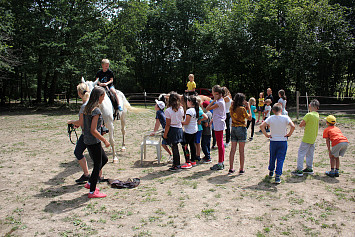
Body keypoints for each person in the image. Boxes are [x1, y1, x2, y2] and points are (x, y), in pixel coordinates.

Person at [67, 83, 105, 184]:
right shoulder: (89, 104)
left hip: (88, 135)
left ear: (79, 93)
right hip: (91, 134)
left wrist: (72, 122)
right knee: (98, 158)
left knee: (89, 156)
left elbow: (82, 122)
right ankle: (95, 176)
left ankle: (90, 176)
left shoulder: (85, 106)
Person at [82, 87, 110, 198]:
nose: (104, 99)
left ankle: (90, 183)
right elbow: (93, 130)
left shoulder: (87, 108)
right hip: (94, 141)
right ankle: (92, 191)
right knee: (97, 165)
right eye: (103, 96)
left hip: (88, 140)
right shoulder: (96, 110)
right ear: (99, 96)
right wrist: (104, 140)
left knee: (104, 159)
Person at [260, 103, 295, 184]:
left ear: (273, 110)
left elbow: (262, 126)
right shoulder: (285, 117)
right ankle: (278, 175)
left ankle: (271, 170)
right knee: (280, 158)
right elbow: (293, 126)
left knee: (272, 156)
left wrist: (266, 135)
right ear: (281, 110)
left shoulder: (271, 118)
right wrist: (289, 134)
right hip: (283, 141)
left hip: (273, 141)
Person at [292, 99, 320, 176]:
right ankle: (309, 168)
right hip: (313, 138)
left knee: (301, 153)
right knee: (310, 154)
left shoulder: (309, 115)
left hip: (307, 138)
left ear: (310, 106)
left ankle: (299, 170)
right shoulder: (317, 115)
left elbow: (301, 124)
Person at [228, 93, 252, 174]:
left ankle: (231, 168)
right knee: (241, 150)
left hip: (233, 128)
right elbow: (249, 118)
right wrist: (249, 108)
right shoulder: (242, 109)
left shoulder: (232, 107)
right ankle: (241, 169)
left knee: (232, 150)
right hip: (241, 128)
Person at [163, 92, 185, 171]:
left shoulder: (168, 111)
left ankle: (177, 165)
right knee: (178, 147)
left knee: (174, 148)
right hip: (179, 128)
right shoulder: (181, 109)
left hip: (173, 129)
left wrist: (165, 135)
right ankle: (178, 163)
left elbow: (168, 124)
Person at [206, 85, 226, 170]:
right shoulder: (220, 101)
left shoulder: (219, 102)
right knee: (220, 144)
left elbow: (207, 108)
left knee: (220, 144)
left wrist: (213, 101)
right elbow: (218, 113)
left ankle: (220, 163)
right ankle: (221, 162)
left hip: (219, 124)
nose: (213, 95)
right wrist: (212, 120)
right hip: (218, 123)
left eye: (214, 94)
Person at [181, 95, 202, 168]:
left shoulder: (189, 111)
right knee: (192, 144)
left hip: (189, 131)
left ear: (190, 102)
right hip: (194, 129)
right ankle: (193, 160)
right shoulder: (195, 109)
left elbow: (186, 122)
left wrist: (180, 122)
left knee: (185, 146)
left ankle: (187, 162)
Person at [194, 96, 208, 162]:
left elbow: (206, 117)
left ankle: (198, 155)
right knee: (195, 142)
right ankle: (196, 154)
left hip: (198, 128)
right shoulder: (197, 108)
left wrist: (200, 120)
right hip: (196, 128)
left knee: (197, 142)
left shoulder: (199, 109)